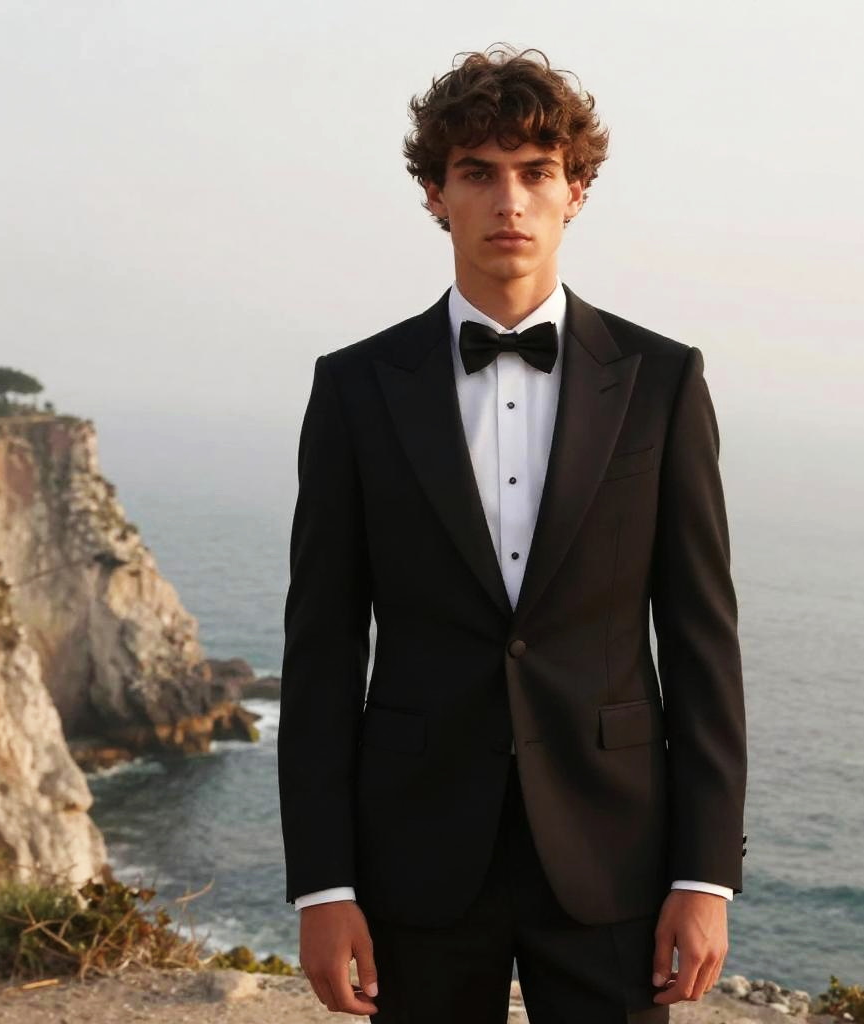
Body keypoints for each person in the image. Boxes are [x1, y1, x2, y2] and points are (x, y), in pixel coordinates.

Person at [277, 45, 747, 1024]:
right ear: (434, 193)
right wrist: (323, 888)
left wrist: (706, 875)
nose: (509, 200)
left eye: (536, 172)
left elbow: (702, 644)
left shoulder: (662, 382)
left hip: (613, 852)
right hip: (414, 852)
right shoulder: (355, 388)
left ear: (575, 191)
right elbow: (321, 648)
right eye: (477, 173)